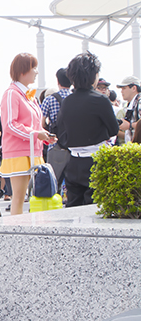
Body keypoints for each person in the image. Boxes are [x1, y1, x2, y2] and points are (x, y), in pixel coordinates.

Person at [56, 52, 120, 206]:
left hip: (73, 162)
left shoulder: (66, 102)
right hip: (97, 161)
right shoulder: (101, 99)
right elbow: (114, 130)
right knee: (95, 208)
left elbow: (61, 133)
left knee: (73, 208)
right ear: (94, 76)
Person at [0, 53, 55, 215]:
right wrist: (36, 134)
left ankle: (25, 227)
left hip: (32, 151)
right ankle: (16, 229)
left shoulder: (29, 95)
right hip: (19, 152)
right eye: (33, 68)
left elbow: (34, 124)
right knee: (19, 198)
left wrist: (44, 136)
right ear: (23, 71)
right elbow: (10, 124)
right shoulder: (12, 93)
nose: (36, 72)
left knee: (32, 197)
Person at [41, 67, 71, 189]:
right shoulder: (76, 97)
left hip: (55, 144)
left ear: (58, 81)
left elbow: (41, 123)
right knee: (72, 186)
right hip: (75, 146)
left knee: (53, 182)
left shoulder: (50, 99)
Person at [116, 76, 141, 142]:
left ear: (133, 88)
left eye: (124, 88)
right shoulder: (133, 103)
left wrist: (129, 125)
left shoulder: (139, 102)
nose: (121, 91)